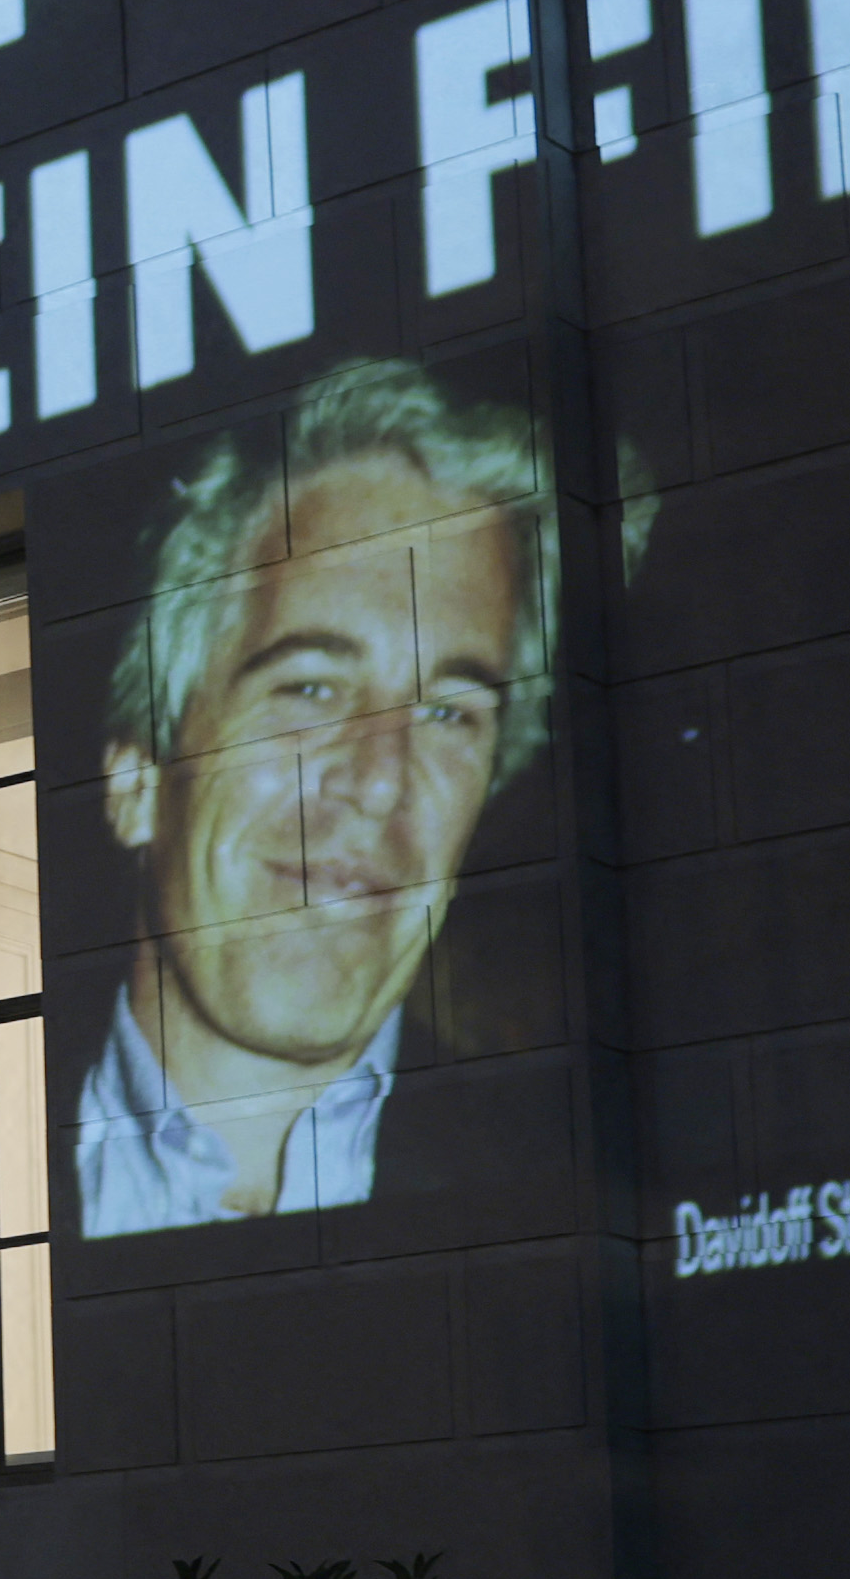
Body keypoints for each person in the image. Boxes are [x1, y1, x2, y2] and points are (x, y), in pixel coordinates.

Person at [74, 358, 594, 1235]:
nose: (381, 777)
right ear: (139, 782)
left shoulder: (566, 1187)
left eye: (446, 713)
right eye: (311, 688)